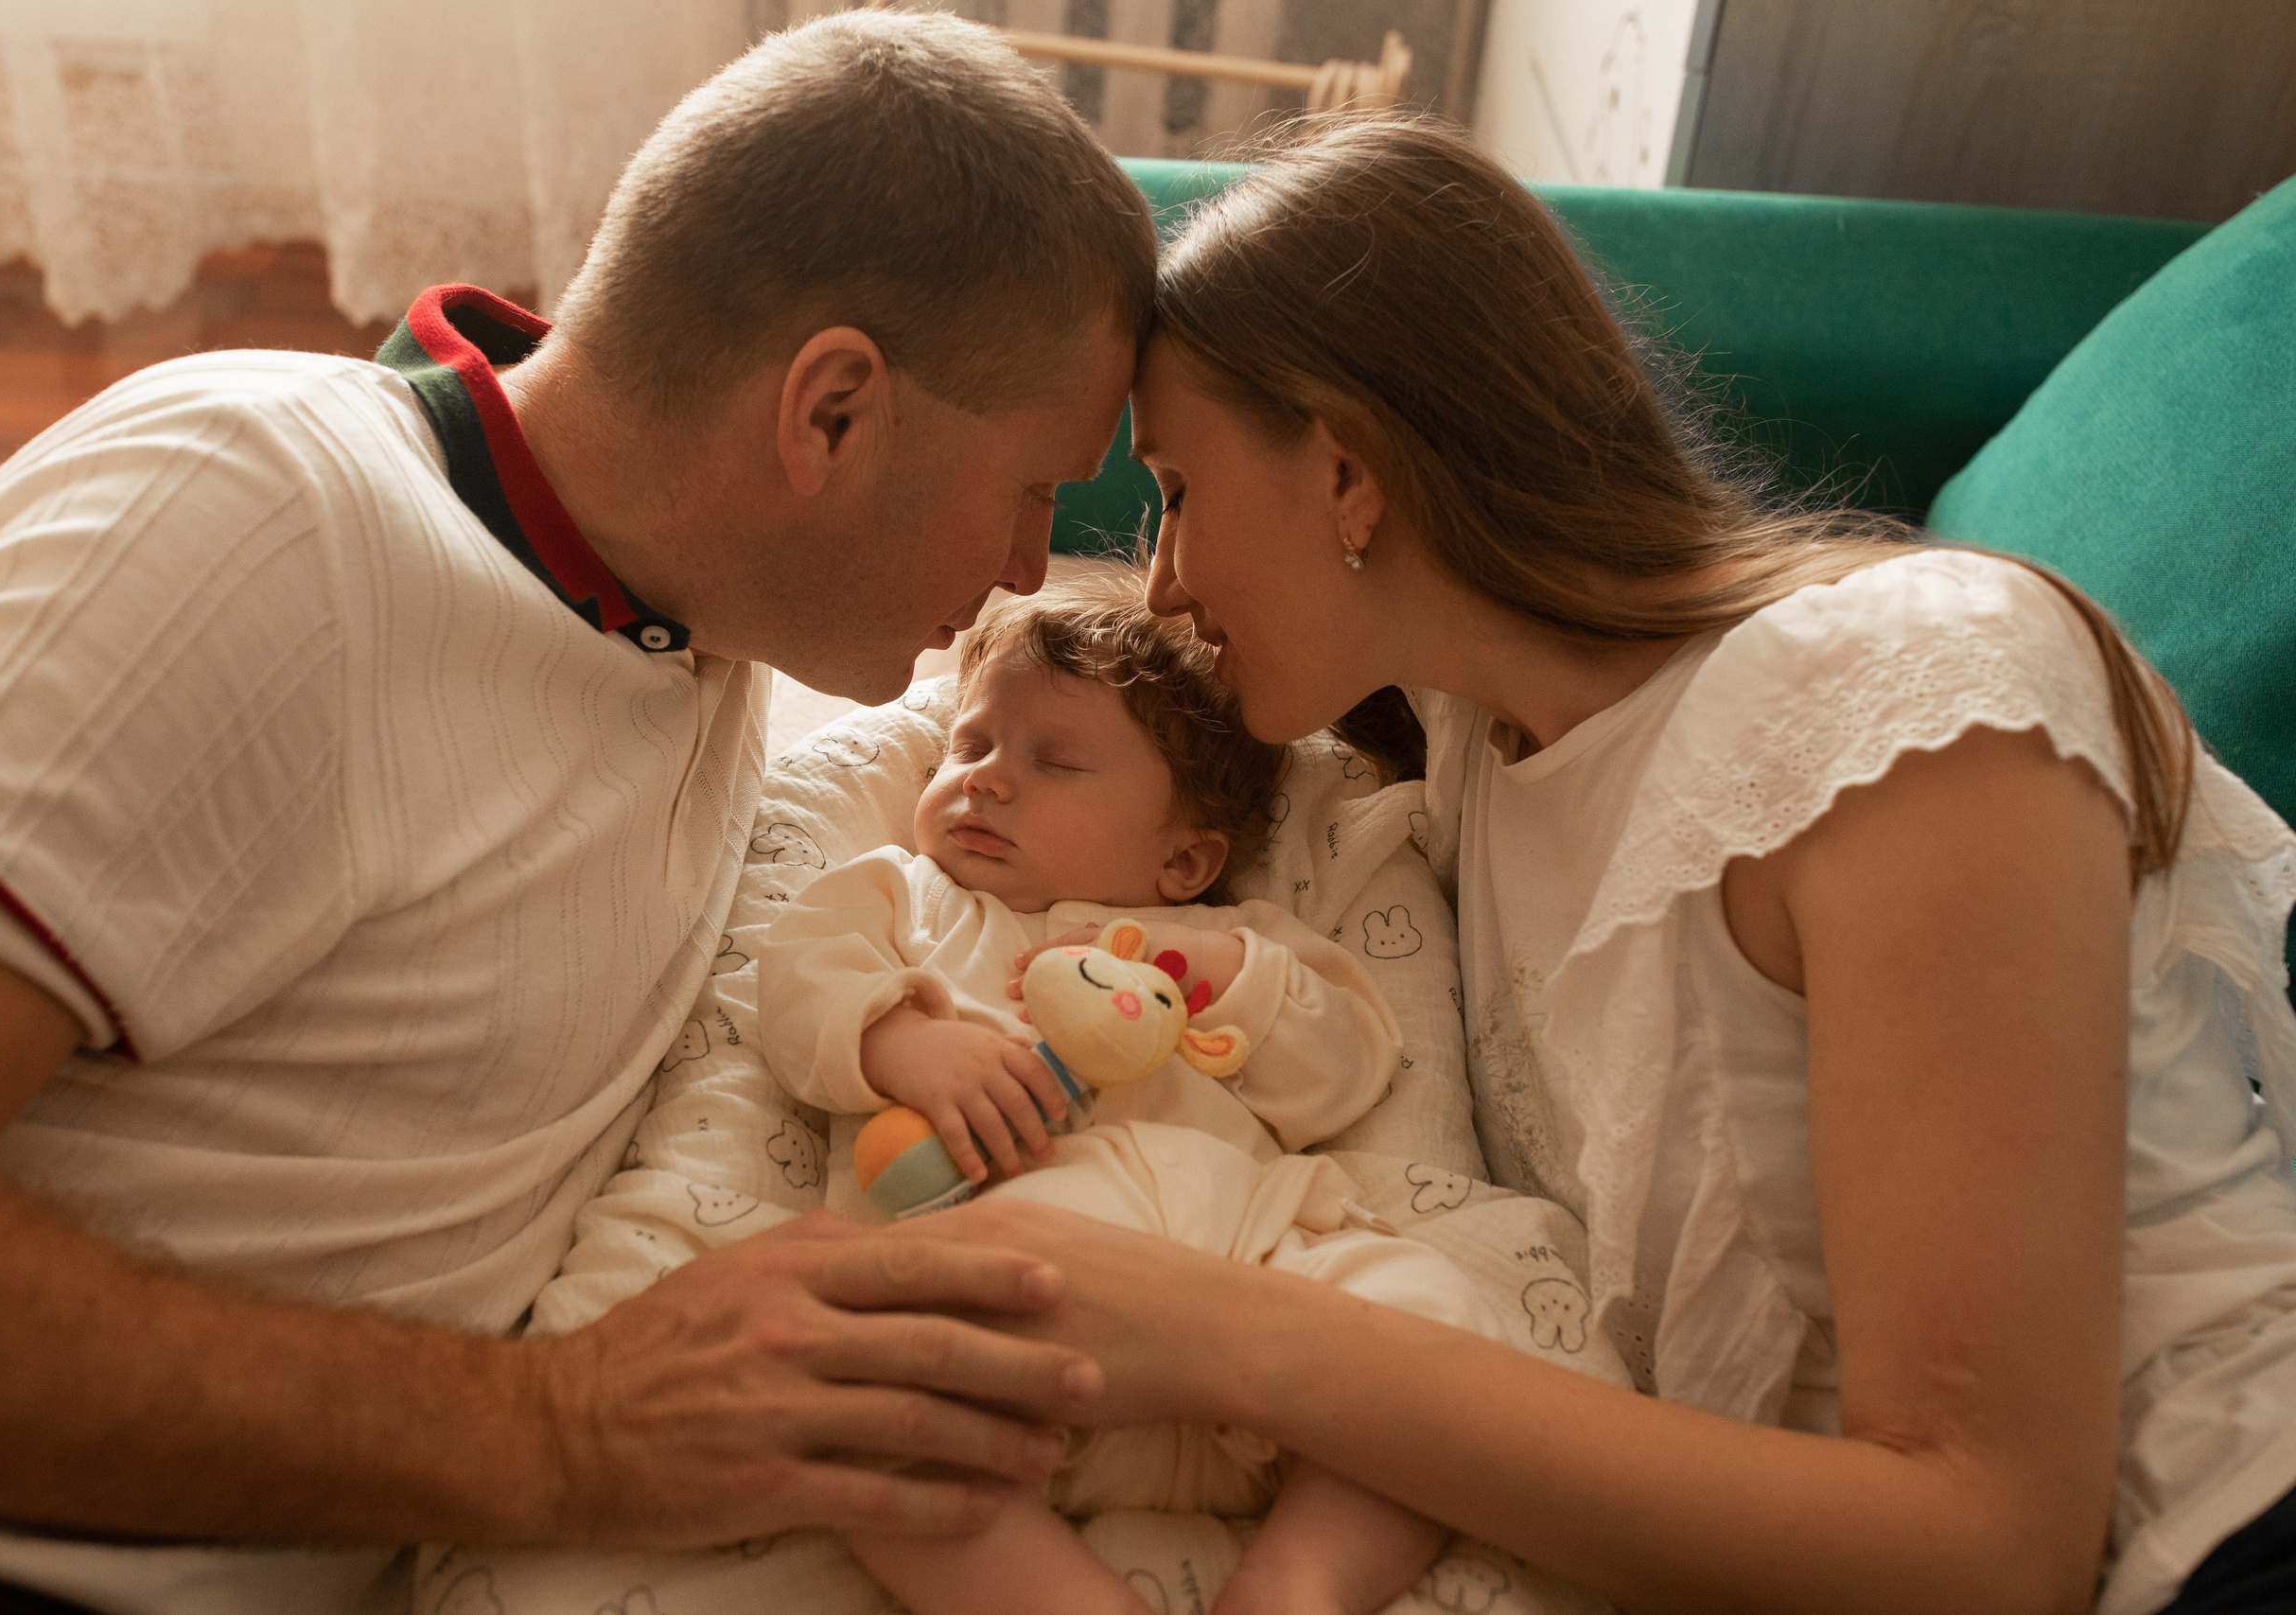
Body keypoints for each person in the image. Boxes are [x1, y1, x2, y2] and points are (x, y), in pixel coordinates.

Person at [913, 115, 2296, 1615]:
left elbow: (1990, 1546)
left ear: (1351, 471)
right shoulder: (1468, 751)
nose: (1162, 578)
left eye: (1177, 490)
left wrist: (1229, 1333)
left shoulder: (1906, 705)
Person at [0, 13, 1151, 1611]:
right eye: (1037, 486)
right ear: (828, 413)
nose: (1035, 564)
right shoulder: (250, 527)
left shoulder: (691, 609)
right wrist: (561, 1432)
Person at [757, 567, 1558, 1615]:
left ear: (1185, 859)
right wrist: (901, 1041)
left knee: (1442, 1325)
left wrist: (1232, 983)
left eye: (1056, 762)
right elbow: (797, 969)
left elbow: (1348, 1067)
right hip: (1010, 1314)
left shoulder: (1227, 943)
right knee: (861, 1422)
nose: (986, 780)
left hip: (1249, 1275)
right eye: (970, 745)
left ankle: (1300, 1581)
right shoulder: (908, 898)